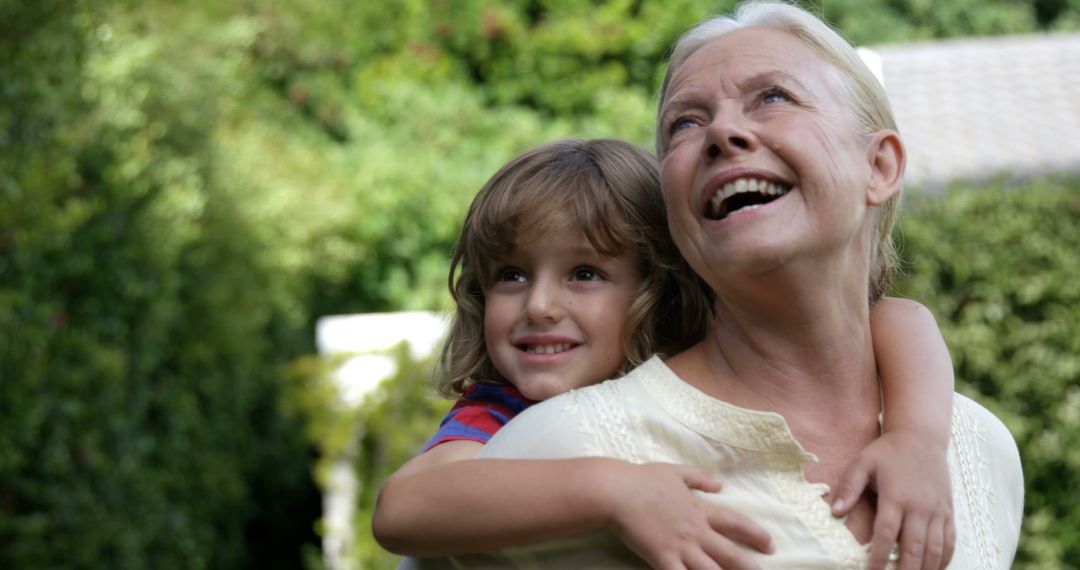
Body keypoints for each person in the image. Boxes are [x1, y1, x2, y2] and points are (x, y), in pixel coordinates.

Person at [374, 133, 968, 569]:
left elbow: (899, 317)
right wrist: (617, 491)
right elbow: (402, 508)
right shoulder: (499, 410)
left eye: (584, 273)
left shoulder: (694, 379)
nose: (540, 306)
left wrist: (916, 438)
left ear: (660, 284)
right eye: (511, 275)